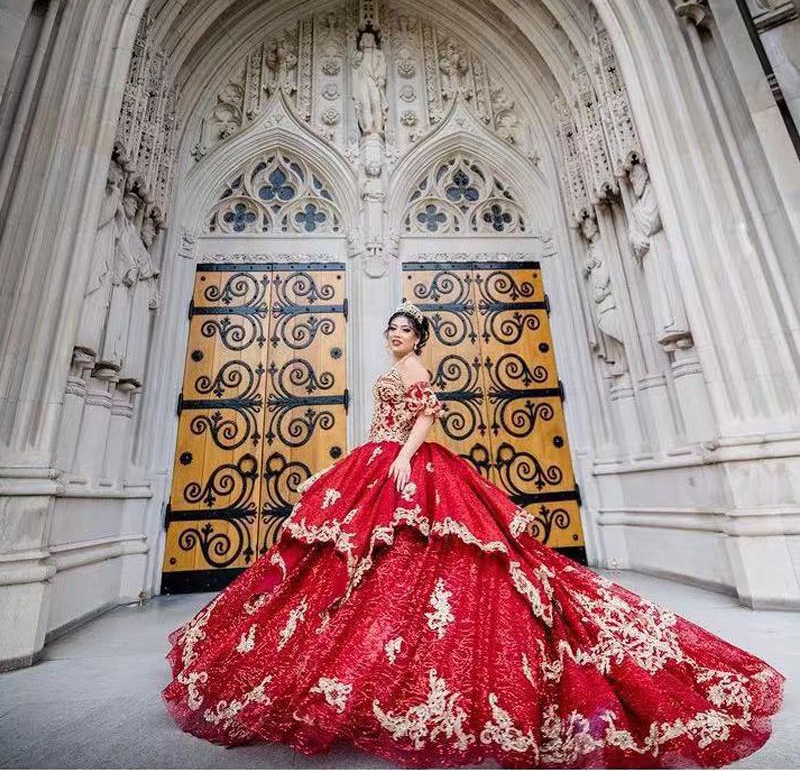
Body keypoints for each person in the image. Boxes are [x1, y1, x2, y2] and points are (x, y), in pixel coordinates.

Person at [162, 301, 783, 768]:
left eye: (405, 331)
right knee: (362, 567)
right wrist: (341, 463)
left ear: (420, 338)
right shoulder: (396, 370)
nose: (396, 336)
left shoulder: (417, 369)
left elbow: (427, 414)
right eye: (392, 331)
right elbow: (387, 418)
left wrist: (405, 457)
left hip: (405, 461)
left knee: (425, 562)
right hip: (378, 458)